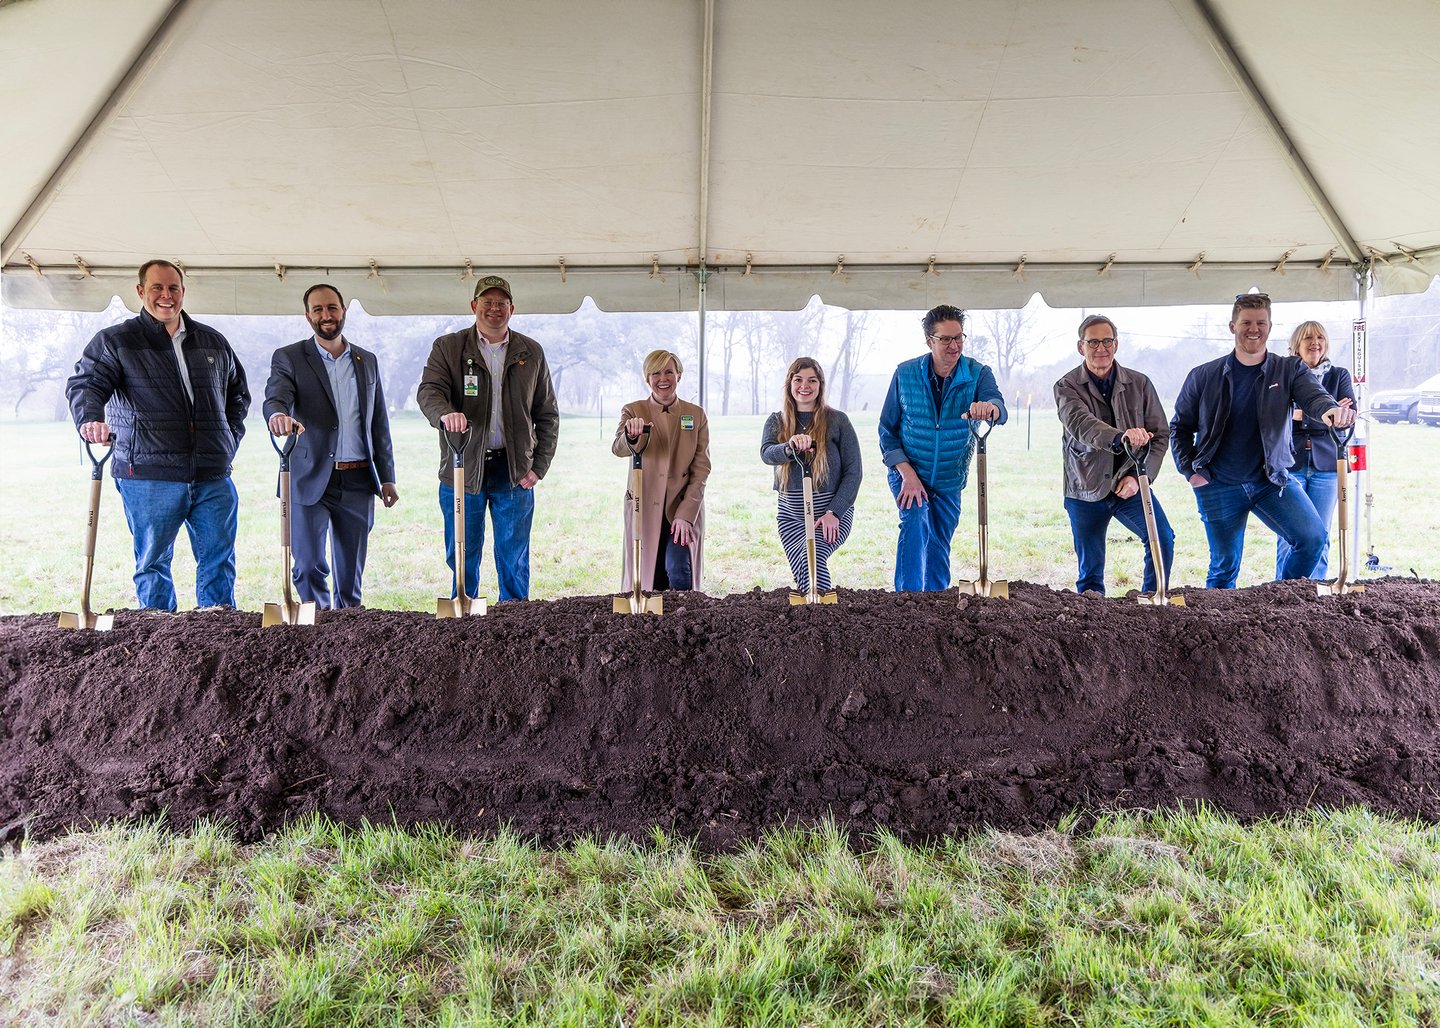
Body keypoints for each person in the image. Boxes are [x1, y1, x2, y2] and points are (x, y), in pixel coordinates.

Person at [66, 259, 250, 610]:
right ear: (141, 291)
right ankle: (159, 643)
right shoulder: (117, 342)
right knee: (153, 564)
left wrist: (226, 443)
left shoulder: (212, 342)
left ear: (183, 292)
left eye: (173, 288)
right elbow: (87, 384)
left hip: (212, 475)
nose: (166, 296)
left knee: (218, 561)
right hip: (148, 476)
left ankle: (218, 635)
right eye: (157, 288)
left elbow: (237, 396)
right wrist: (91, 420)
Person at [1170, 293, 1357, 588]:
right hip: (1218, 483)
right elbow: (1179, 427)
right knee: (1224, 566)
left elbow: (1314, 396)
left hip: (1272, 482)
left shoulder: (1289, 369)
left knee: (1312, 539)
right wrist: (1191, 472)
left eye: (1261, 322)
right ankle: (1219, 629)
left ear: (1270, 327)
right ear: (1233, 326)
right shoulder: (1204, 375)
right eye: (1246, 322)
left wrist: (1330, 410)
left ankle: (1282, 597)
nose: (1253, 329)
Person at [416, 275, 559, 602]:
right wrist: (444, 414)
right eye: (487, 302)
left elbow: (547, 413)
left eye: (501, 303)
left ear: (512, 308)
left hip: (514, 473)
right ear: (474, 306)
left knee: (514, 557)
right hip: (463, 468)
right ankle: (464, 618)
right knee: (463, 554)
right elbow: (429, 391)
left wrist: (538, 467)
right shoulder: (449, 347)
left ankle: (514, 622)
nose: (494, 309)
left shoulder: (530, 352)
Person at [262, 284, 400, 608]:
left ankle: (350, 637)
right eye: (318, 309)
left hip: (359, 480)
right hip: (308, 477)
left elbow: (378, 422)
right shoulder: (290, 357)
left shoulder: (367, 360)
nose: (327, 315)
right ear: (307, 315)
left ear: (344, 311)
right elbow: (276, 397)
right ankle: (319, 628)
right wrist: (278, 415)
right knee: (308, 566)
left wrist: (388, 476)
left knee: (350, 575)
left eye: (332, 308)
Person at [878, 304, 1008, 592]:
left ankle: (935, 605)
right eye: (946, 339)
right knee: (915, 524)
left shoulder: (977, 373)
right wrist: (907, 474)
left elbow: (1000, 408)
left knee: (939, 541)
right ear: (929, 341)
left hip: (950, 477)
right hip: (909, 472)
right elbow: (887, 431)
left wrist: (990, 409)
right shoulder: (906, 374)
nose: (954, 345)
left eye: (959, 337)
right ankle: (908, 602)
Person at [1054, 315, 1175, 595]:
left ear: (1116, 344)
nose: (1101, 348)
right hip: (1085, 488)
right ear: (1080, 347)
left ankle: (1152, 601)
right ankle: (1094, 626)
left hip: (1130, 485)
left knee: (1162, 540)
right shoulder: (1066, 386)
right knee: (1090, 574)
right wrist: (1120, 438)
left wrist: (1137, 478)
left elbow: (1160, 434)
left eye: (1107, 341)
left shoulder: (1139, 383)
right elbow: (1081, 425)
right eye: (1093, 342)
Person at [760, 357, 863, 593]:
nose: (804, 386)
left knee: (812, 558)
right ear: (789, 384)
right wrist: (789, 447)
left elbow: (854, 472)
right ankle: (814, 615)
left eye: (812, 380)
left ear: (820, 385)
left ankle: (821, 611)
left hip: (829, 515)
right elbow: (766, 453)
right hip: (791, 517)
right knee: (804, 567)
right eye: (798, 380)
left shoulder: (838, 421)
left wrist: (833, 511)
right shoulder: (777, 421)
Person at [611, 349, 711, 591]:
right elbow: (618, 448)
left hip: (681, 508)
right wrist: (631, 434)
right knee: (648, 575)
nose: (663, 379)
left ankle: (686, 620)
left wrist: (686, 515)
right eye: (655, 373)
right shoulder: (633, 411)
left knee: (679, 568)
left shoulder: (695, 415)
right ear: (647, 379)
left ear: (679, 375)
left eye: (669, 372)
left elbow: (701, 469)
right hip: (643, 508)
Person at [1277, 320, 1355, 580]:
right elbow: (1273, 417)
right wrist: (1325, 413)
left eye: (1320, 337)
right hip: (1291, 463)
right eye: (1308, 337)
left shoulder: (1339, 375)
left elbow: (1347, 416)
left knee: (1320, 534)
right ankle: (1282, 591)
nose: (1315, 342)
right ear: (1296, 345)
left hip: (1328, 466)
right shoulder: (1283, 375)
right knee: (1290, 535)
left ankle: (1315, 592)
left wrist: (1301, 414)